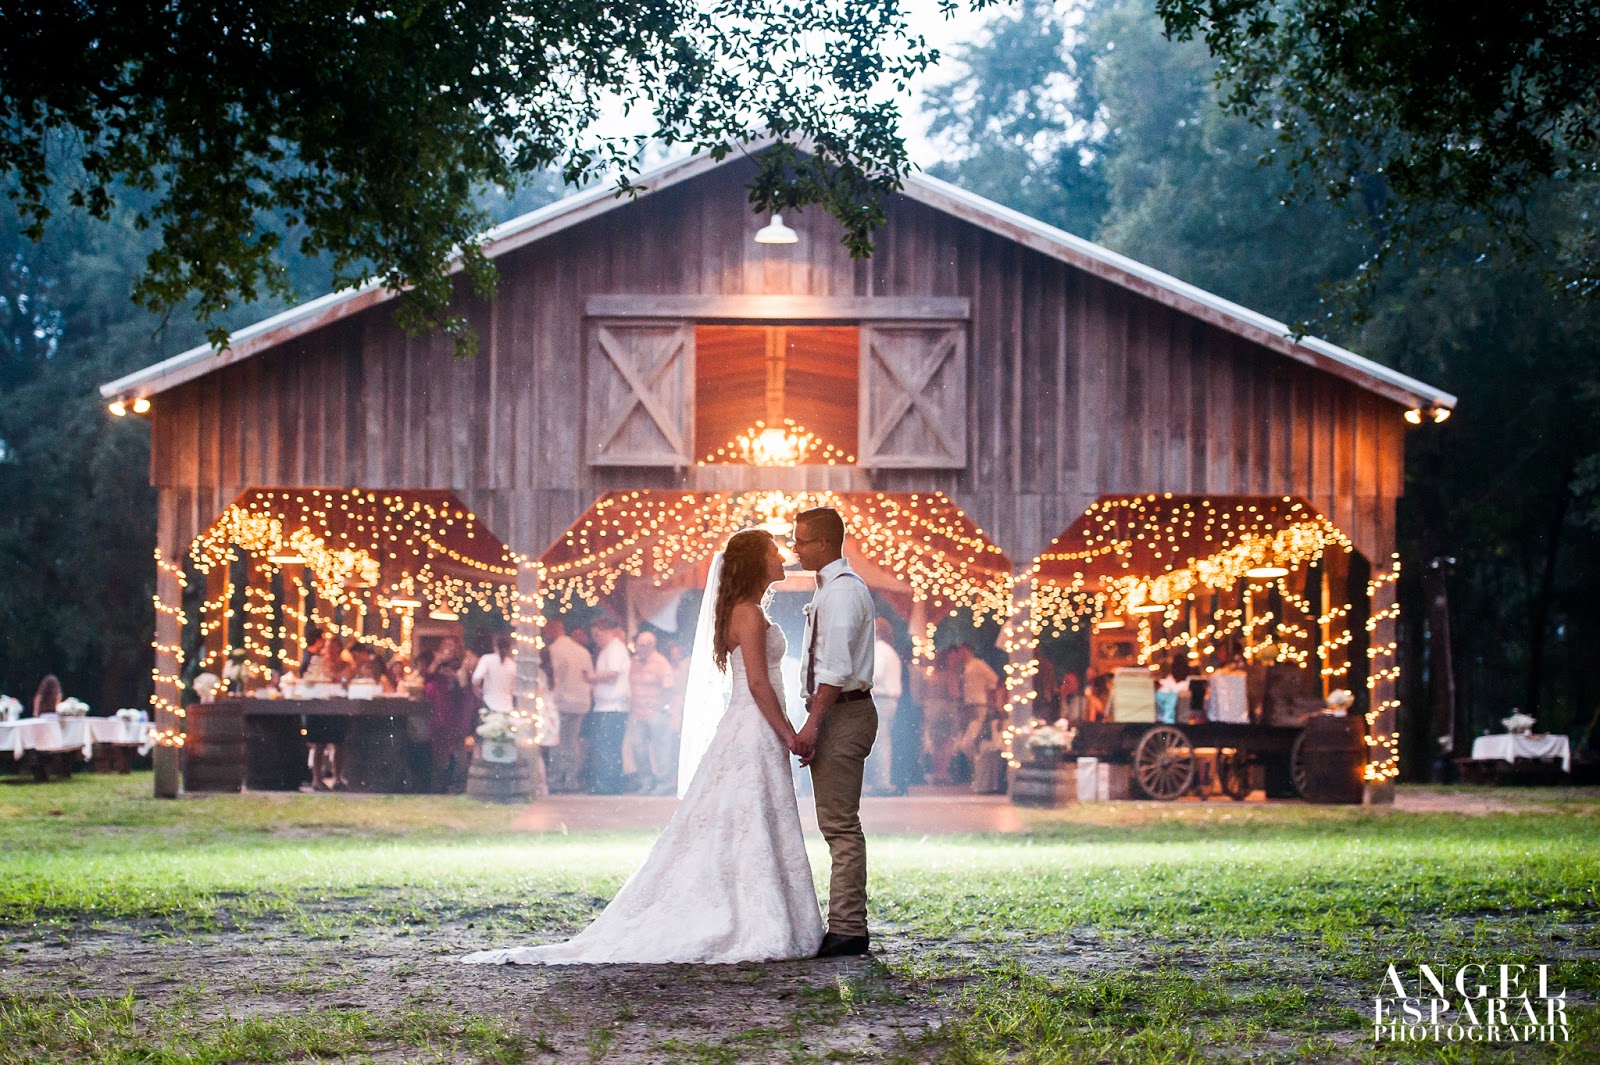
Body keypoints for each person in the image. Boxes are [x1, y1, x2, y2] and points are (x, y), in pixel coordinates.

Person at [464, 528, 821, 965]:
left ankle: (765, 906)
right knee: (750, 812)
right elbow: (759, 683)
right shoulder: (747, 613)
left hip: (754, 725)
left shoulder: (746, 611)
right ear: (754, 563)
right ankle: (749, 912)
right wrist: (789, 732)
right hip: (755, 725)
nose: (781, 557)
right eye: (773, 552)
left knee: (756, 814)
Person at [792, 505, 878, 958]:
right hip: (838, 712)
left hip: (843, 714)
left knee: (841, 826)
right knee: (836, 823)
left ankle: (849, 928)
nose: (794, 547)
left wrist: (813, 724)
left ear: (824, 544)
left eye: (801, 540)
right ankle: (847, 923)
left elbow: (836, 670)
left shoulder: (842, 594)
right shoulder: (831, 589)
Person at [582, 616, 632, 794]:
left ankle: (608, 784)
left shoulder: (615, 649)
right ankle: (610, 783)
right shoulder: (607, 650)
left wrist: (592, 678)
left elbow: (613, 674)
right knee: (607, 746)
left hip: (613, 707)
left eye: (597, 634)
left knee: (607, 746)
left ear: (605, 632)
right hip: (606, 706)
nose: (595, 638)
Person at [545, 618, 593, 792]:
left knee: (558, 742)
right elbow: (589, 677)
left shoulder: (554, 651)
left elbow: (554, 677)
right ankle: (572, 778)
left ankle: (556, 779)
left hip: (562, 701)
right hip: (581, 702)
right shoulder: (582, 651)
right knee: (572, 741)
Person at [625, 631, 676, 794]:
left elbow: (669, 688)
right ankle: (646, 781)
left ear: (652, 646)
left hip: (655, 713)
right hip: (638, 712)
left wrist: (658, 707)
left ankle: (664, 782)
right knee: (638, 748)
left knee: (661, 749)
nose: (639, 649)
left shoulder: (661, 663)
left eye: (643, 645)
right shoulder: (634, 662)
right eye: (638, 645)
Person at [301, 633, 351, 789]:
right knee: (319, 743)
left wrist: (336, 677)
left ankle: (337, 777)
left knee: (339, 742)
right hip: (319, 705)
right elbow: (309, 678)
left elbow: (345, 680)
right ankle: (317, 779)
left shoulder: (344, 664)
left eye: (332, 646)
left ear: (338, 648)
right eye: (327, 646)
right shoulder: (317, 662)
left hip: (336, 706)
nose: (328, 649)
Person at [865, 617, 902, 796]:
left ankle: (880, 782)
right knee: (882, 741)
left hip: (880, 699)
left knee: (877, 742)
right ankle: (882, 781)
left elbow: (875, 674)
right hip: (889, 699)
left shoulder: (878, 650)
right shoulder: (890, 651)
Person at [921, 646, 962, 784]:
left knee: (936, 743)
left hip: (932, 710)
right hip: (946, 711)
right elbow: (953, 693)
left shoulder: (933, 674)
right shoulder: (949, 674)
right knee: (946, 743)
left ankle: (935, 773)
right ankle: (942, 775)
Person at [472, 632, 518, 715]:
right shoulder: (513, 665)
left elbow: (476, 678)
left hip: (489, 704)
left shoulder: (487, 659)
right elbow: (514, 689)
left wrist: (477, 690)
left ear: (494, 645)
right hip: (507, 707)